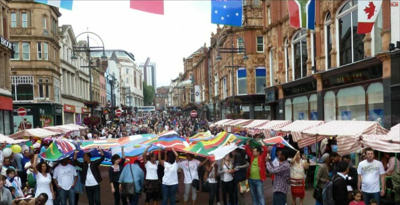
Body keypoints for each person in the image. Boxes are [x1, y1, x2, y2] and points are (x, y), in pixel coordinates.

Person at [244, 140, 268, 205]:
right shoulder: (252, 156)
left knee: (260, 195)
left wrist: (261, 143)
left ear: (258, 152)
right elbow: (247, 150)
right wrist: (247, 144)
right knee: (253, 195)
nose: (253, 152)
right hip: (251, 179)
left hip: (258, 180)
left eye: (254, 151)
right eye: (253, 151)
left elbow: (265, 150)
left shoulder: (261, 157)